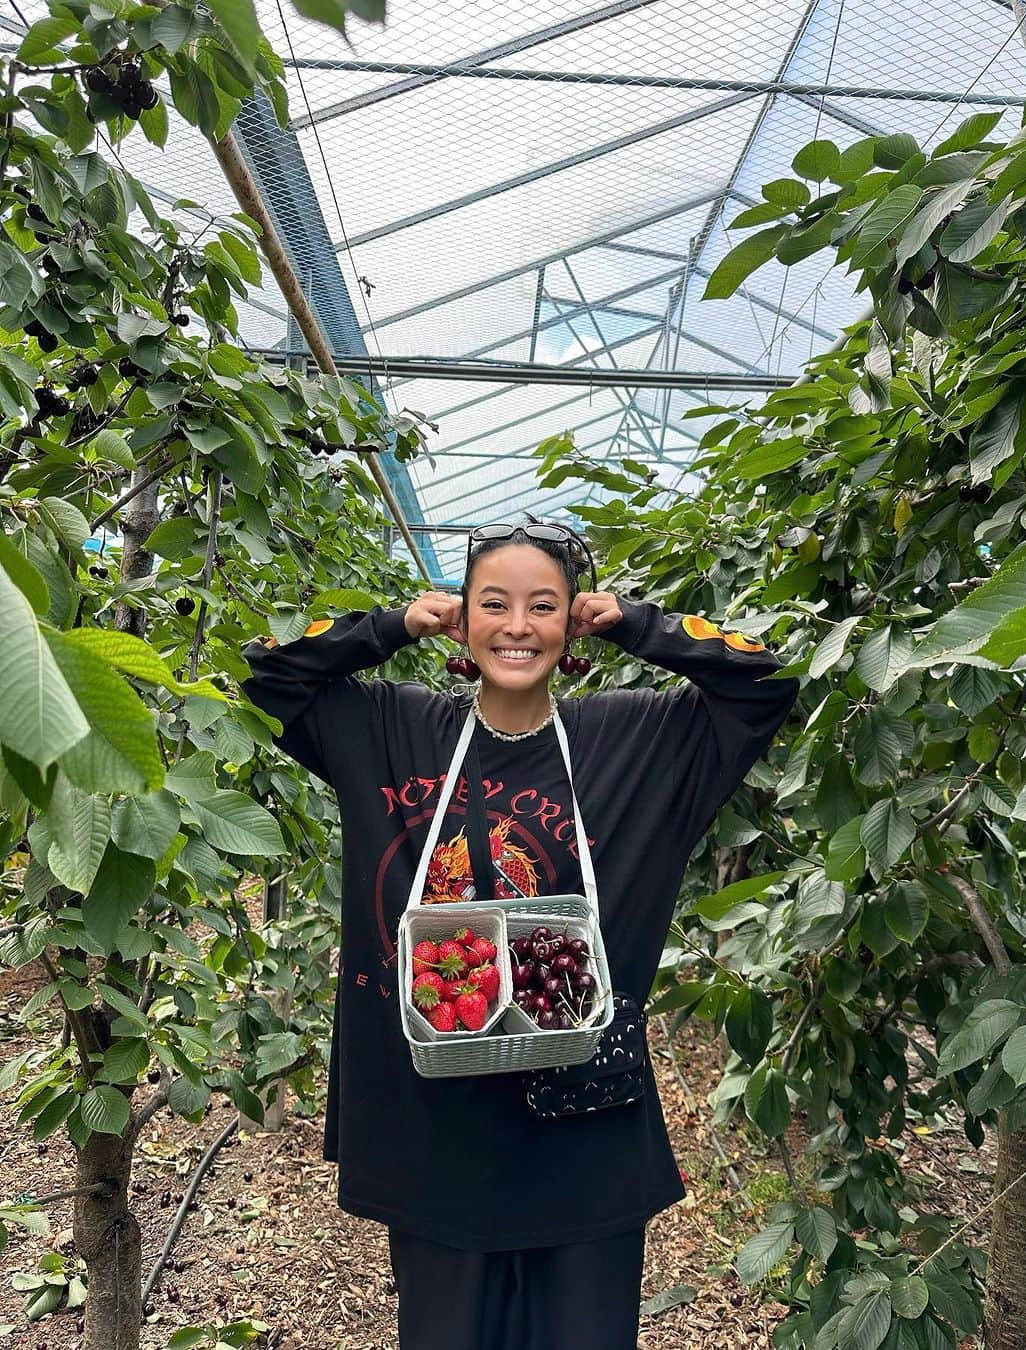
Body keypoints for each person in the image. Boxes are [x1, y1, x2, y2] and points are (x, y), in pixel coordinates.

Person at [239, 518, 799, 1350]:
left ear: (573, 622)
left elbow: (764, 680)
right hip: (435, 1120)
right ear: (460, 619)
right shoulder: (393, 728)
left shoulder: (632, 739)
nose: (517, 626)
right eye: (492, 604)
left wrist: (639, 624)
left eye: (544, 606)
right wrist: (391, 625)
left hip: (578, 1123)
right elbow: (271, 676)